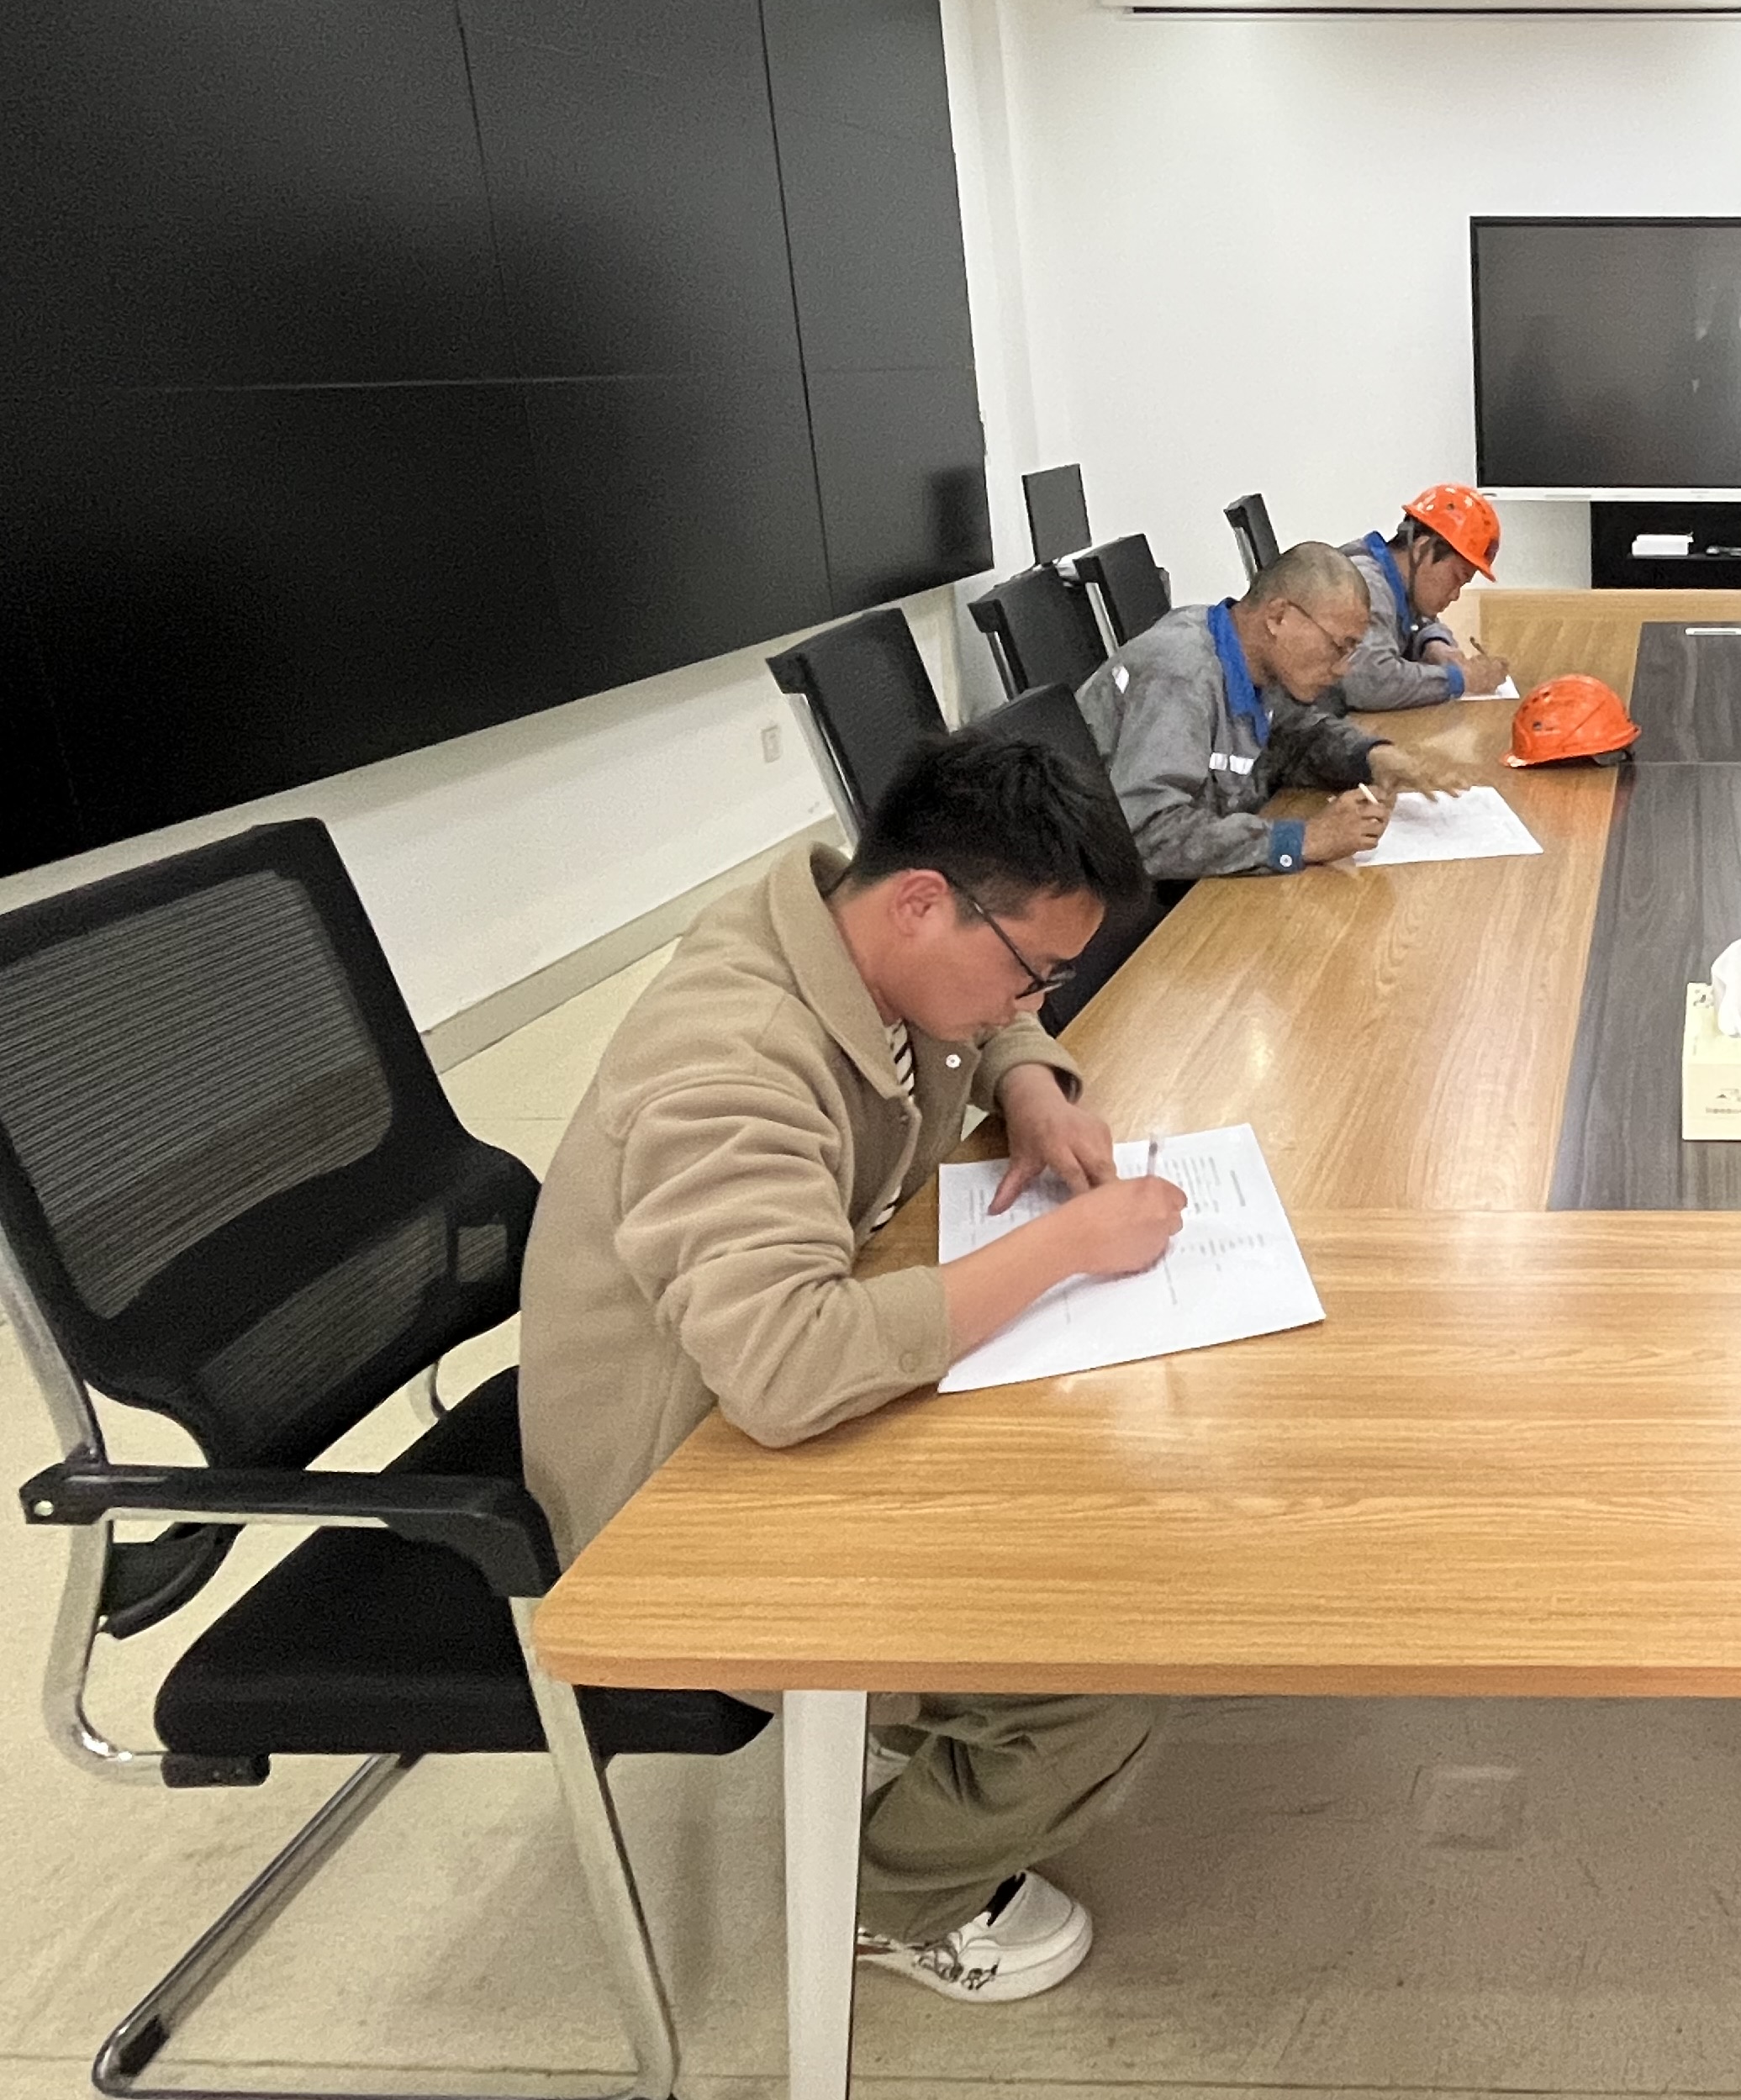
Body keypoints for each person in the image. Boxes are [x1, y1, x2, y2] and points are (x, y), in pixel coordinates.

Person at [519, 730, 1184, 2001]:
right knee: (1105, 1659)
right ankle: (883, 1900)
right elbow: (784, 1369)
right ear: (925, 901)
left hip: (750, 1411)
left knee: (1105, 1504)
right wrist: (1063, 1245)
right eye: (1032, 973)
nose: (1031, 1000)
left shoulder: (849, 930)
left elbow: (971, 1024)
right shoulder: (729, 1061)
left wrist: (1031, 1084)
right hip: (673, 1506)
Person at [1079, 541, 1466, 879]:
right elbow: (1145, 832)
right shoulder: (1181, 674)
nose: (1344, 668)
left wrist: (1371, 758)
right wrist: (1302, 839)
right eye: (1340, 647)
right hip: (1123, 902)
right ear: (1278, 617)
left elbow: (1293, 738)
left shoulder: (1253, 658)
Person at [1336, 483, 1513, 707]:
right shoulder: (1365, 585)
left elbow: (1420, 620)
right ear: (1422, 549)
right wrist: (1462, 680)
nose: (1456, 595)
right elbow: (1370, 681)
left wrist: (1434, 644)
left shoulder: (1399, 583)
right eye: (1457, 577)